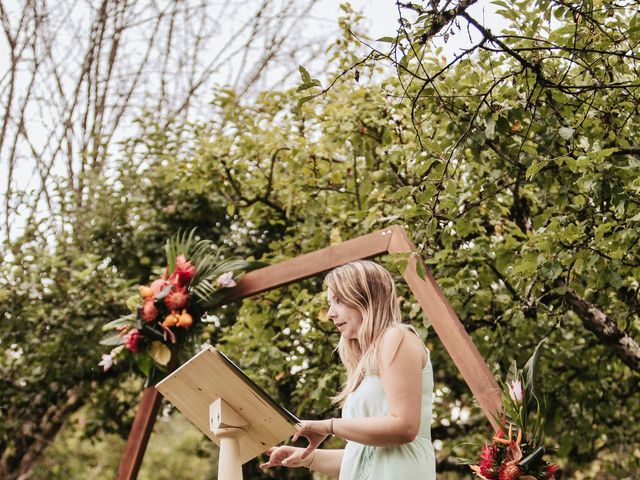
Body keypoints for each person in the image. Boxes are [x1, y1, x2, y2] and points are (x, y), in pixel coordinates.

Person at [260, 260, 436, 479]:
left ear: (365, 297)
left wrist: (329, 426)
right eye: (329, 303)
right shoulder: (365, 362)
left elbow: (404, 427)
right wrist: (308, 457)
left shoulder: (397, 337)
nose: (331, 313)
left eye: (338, 301)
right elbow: (362, 456)